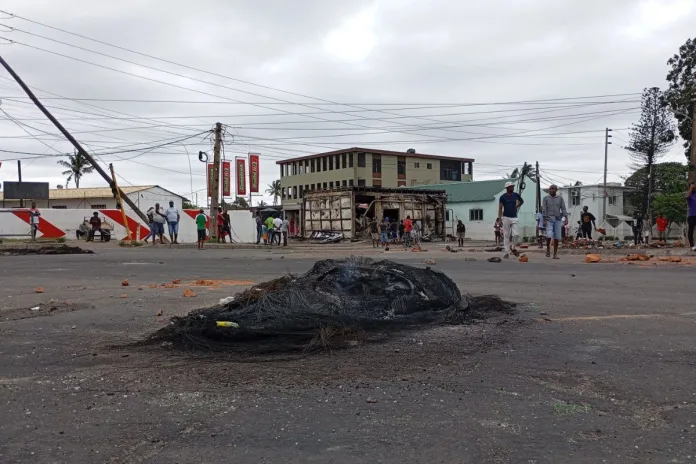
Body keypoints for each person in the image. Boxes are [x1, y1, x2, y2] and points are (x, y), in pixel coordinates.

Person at [498, 181, 524, 259]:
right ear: (507, 188)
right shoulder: (503, 197)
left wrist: (517, 206)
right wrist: (499, 219)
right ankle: (506, 252)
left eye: (512, 186)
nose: (512, 188)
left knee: (515, 234)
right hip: (506, 217)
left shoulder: (516, 195)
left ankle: (512, 248)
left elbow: (522, 201)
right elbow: (500, 208)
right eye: (511, 187)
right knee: (506, 235)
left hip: (514, 217)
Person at [542, 184, 567, 259]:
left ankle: (555, 254)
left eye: (553, 189)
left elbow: (563, 208)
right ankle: (548, 251)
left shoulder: (560, 198)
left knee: (557, 237)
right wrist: (544, 220)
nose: (551, 190)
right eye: (550, 189)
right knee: (549, 236)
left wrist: (566, 218)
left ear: (556, 190)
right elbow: (544, 209)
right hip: (549, 219)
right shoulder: (545, 198)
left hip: (557, 219)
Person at [687, 183, 696, 251]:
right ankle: (692, 245)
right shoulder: (689, 195)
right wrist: (691, 188)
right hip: (691, 215)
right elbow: (687, 196)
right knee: (691, 230)